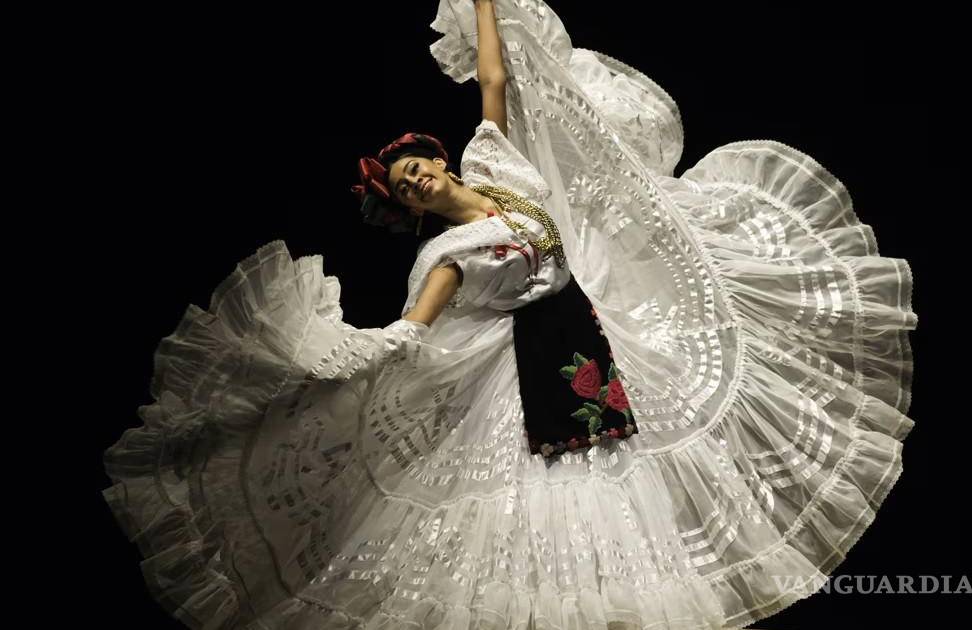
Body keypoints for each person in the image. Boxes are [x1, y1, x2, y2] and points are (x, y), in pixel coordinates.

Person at [102, 1, 918, 628]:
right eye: (406, 187)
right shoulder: (446, 258)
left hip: (590, 318)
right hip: (530, 364)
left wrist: (484, 3)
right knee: (556, 498)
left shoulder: (492, 163)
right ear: (409, 208)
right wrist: (325, 350)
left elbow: (492, 79)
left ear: (435, 158)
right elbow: (411, 333)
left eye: (416, 167)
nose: (418, 179)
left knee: (678, 404)